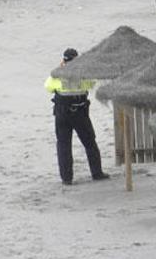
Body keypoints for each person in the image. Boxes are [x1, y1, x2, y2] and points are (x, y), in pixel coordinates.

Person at [44, 48, 110, 186]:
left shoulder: (57, 74)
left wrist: (60, 69)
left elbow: (48, 87)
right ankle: (97, 173)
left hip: (62, 113)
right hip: (79, 112)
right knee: (90, 142)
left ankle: (66, 178)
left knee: (63, 145)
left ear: (64, 60)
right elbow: (91, 84)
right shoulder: (83, 74)